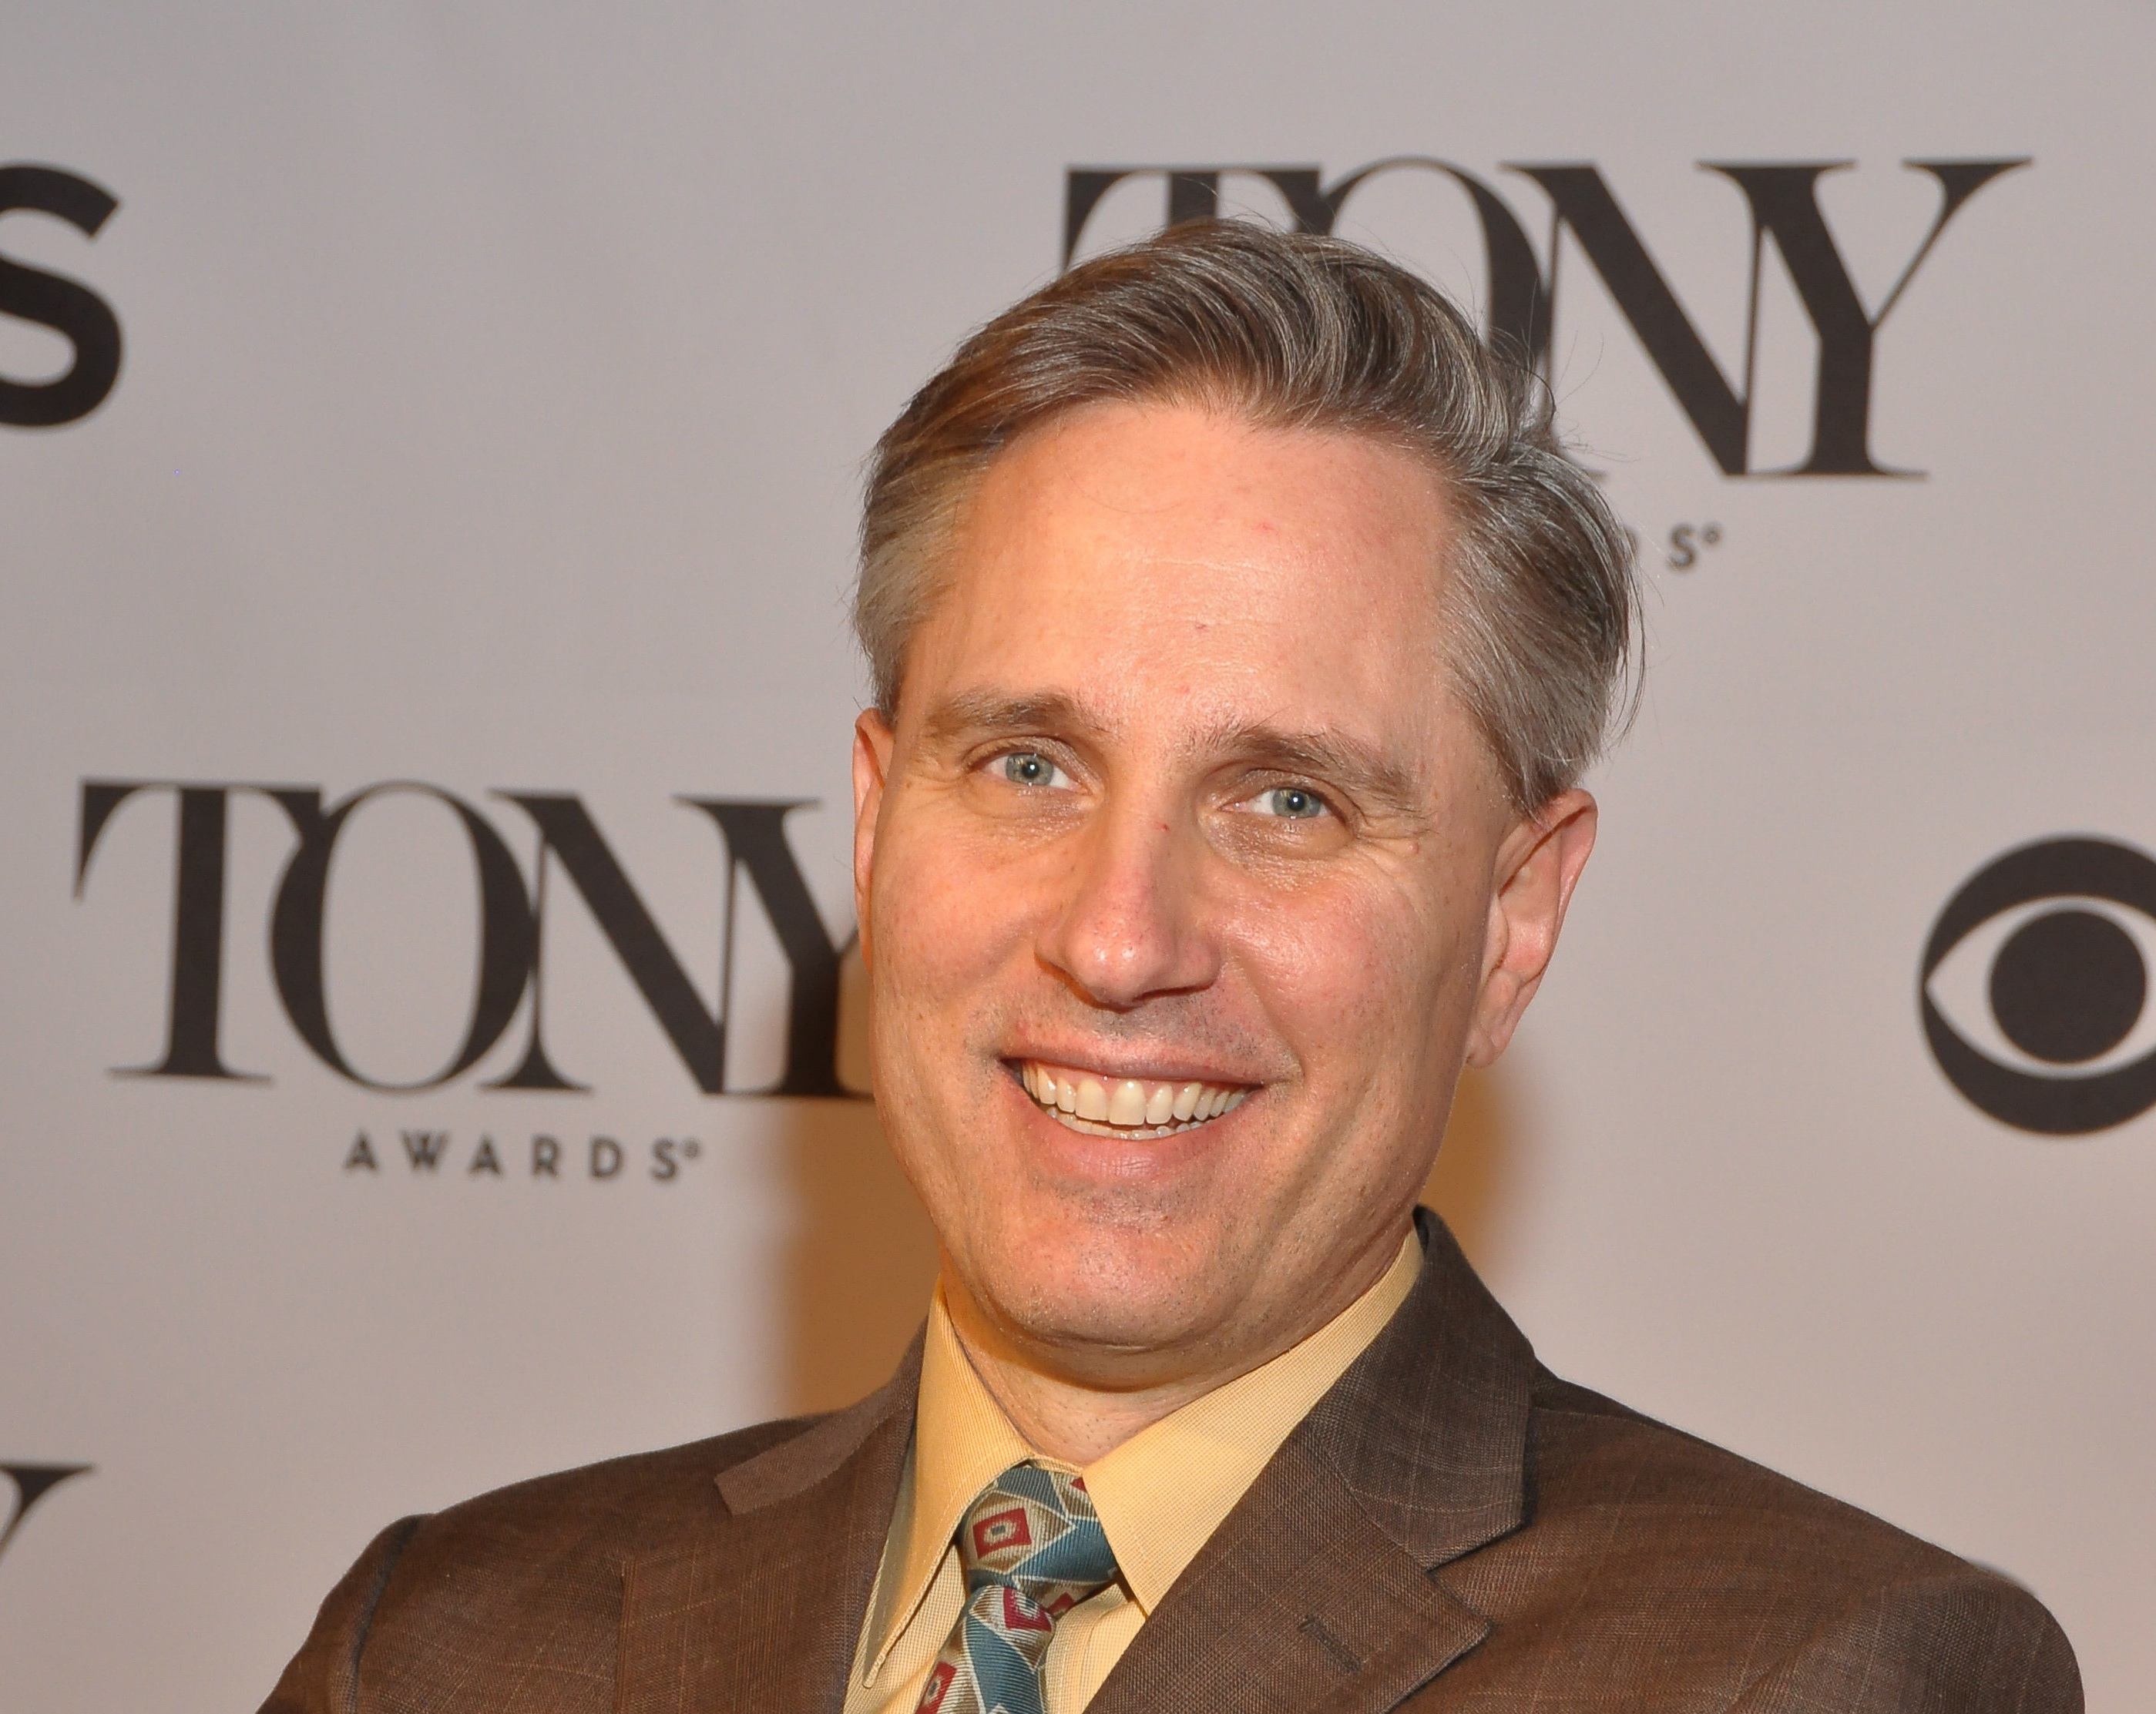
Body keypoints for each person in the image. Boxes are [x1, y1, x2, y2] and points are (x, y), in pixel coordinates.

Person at [262, 221, 2080, 1714]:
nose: (1121, 941)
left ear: (1513, 920)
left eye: (1286, 799)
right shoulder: (441, 1641)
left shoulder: (1819, 1675)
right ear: (879, 829)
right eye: (1029, 767)